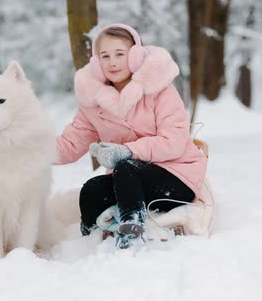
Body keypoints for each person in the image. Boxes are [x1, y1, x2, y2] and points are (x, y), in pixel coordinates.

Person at [56, 23, 208, 249]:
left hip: (176, 176)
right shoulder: (94, 102)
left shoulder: (161, 90)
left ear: (136, 56)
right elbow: (70, 144)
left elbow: (174, 141)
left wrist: (128, 151)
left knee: (127, 167)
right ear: (97, 63)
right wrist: (28, 150)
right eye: (105, 56)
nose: (112, 62)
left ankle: (131, 232)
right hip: (128, 181)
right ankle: (89, 243)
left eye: (120, 54)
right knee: (91, 189)